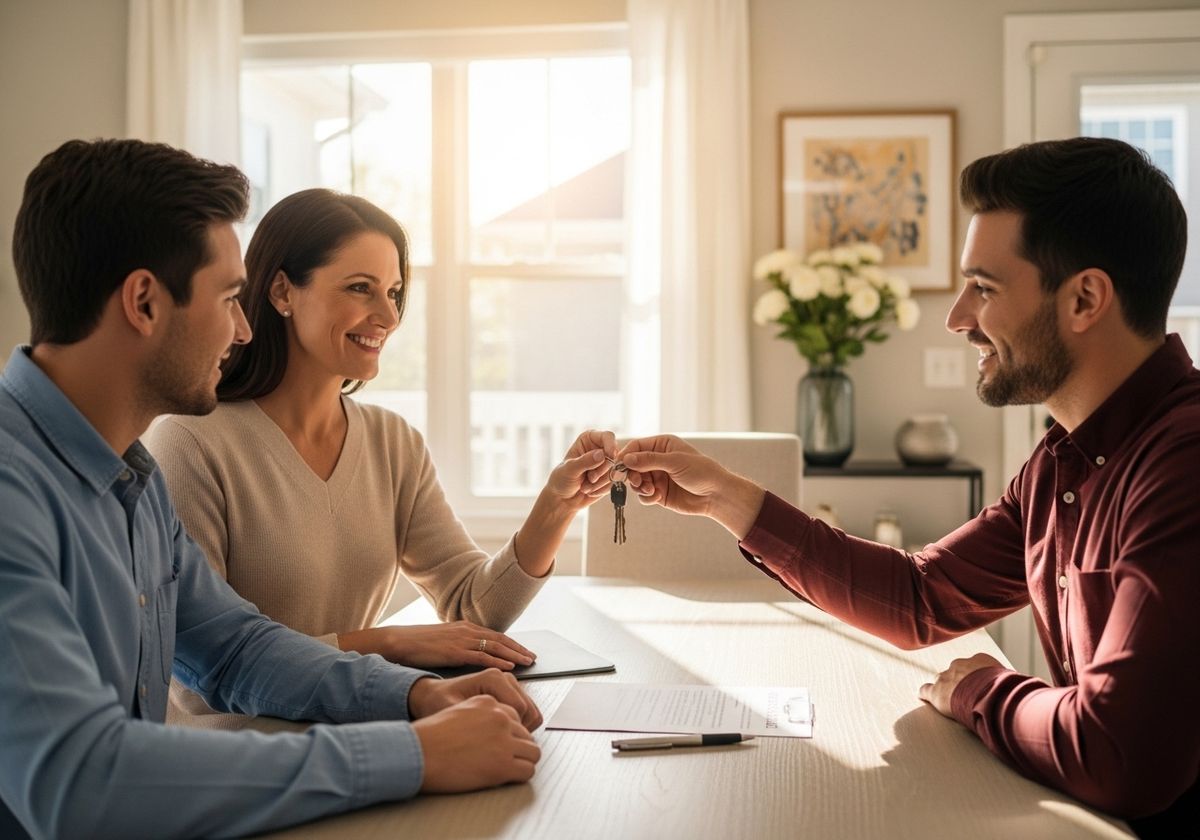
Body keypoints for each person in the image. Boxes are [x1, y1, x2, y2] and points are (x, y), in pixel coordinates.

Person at [617, 137, 1197, 836]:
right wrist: (725, 496)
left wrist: (982, 690)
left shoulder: (1183, 465)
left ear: (1085, 299)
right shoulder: (1061, 465)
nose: (957, 318)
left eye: (984, 288)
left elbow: (1121, 756)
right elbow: (921, 597)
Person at [0, 138, 544, 840]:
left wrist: (416, 696)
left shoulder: (132, 479)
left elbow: (235, 649)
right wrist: (410, 755)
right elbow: (81, 781)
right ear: (144, 302)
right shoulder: (14, 494)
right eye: (230, 297)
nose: (243, 327)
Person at [144, 188, 616, 730]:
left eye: (393, 292)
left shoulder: (392, 442)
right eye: (359, 288)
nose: (388, 316)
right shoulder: (191, 443)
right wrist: (389, 643)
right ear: (282, 291)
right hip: (245, 756)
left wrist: (557, 506)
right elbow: (196, 687)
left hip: (365, 734)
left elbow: (472, 612)